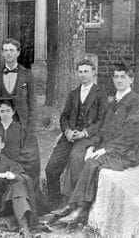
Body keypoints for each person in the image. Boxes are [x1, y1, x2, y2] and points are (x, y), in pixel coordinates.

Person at [54, 63, 139, 224]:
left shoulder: (137, 102)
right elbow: (102, 130)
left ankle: (79, 209)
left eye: (122, 76)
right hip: (109, 146)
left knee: (92, 163)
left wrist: (105, 150)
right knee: (80, 155)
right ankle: (69, 203)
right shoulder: (113, 102)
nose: (118, 80)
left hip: (127, 150)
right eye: (116, 76)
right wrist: (92, 146)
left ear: (131, 79)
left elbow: (132, 135)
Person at [45, 60, 108, 208]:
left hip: (87, 137)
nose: (83, 75)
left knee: (75, 160)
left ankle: (71, 203)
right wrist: (67, 131)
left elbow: (102, 120)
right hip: (69, 137)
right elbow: (64, 116)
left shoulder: (101, 94)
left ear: (93, 72)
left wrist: (85, 132)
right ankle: (54, 203)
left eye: (86, 71)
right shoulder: (73, 94)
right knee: (51, 167)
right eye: (80, 72)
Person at [0, 96, 50, 215]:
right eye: (2, 111)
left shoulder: (23, 130)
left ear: (13, 112)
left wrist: (12, 165)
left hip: (18, 169)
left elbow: (31, 155)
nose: (5, 114)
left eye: (7, 111)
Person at [0, 39, 36, 130]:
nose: (8, 53)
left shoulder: (27, 74)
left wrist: (30, 128)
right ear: (2, 53)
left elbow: (31, 103)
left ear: (18, 53)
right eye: (5, 50)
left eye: (11, 50)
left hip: (20, 121)